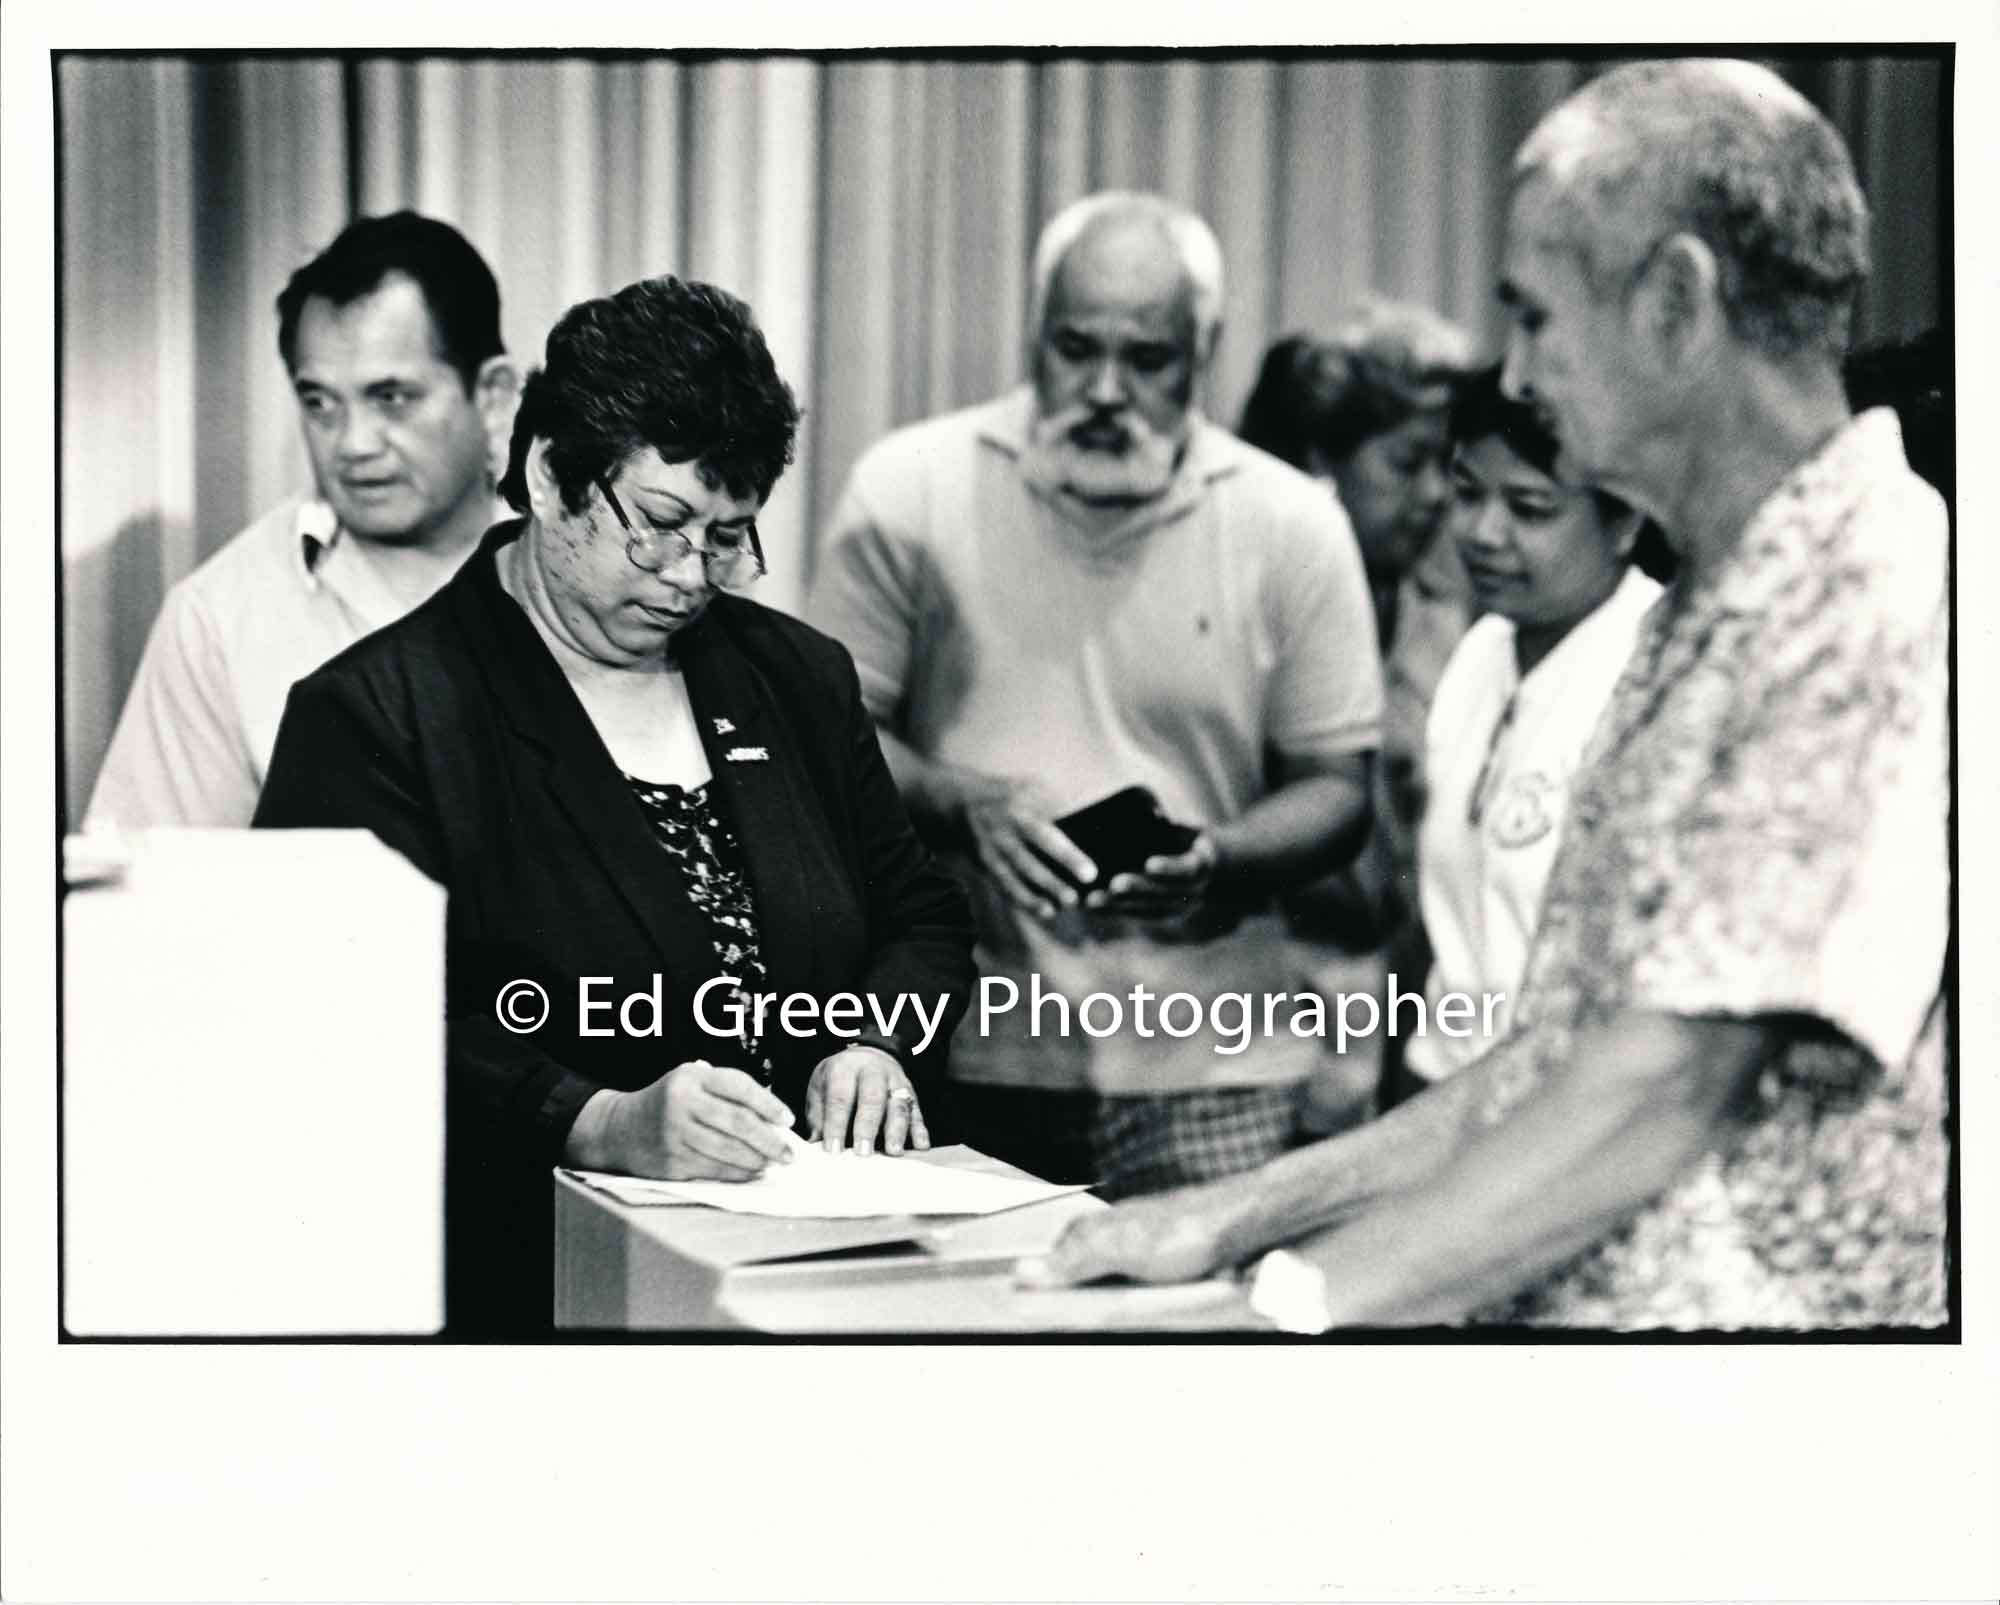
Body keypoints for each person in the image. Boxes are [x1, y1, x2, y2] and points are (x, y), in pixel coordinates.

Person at [1024, 59, 1950, 1330]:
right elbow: (1547, 1059)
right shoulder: (1702, 609)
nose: (1513, 376)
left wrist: (1283, 1310)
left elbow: (1662, 1084)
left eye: (1534, 317)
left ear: (1673, 305)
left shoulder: (1876, 590)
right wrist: (1228, 1219)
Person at [255, 276, 977, 1336]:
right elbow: (343, 1026)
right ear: (552, 478)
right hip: (531, 1292)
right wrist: (595, 1120)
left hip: (821, 1264)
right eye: (661, 523)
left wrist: (871, 1040)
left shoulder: (794, 677)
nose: (692, 576)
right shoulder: (376, 718)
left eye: (727, 535)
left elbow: (920, 914)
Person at [808, 191, 1381, 1197]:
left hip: (1211, 1059)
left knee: (1190, 1347)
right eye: (1075, 349)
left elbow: (1337, 789)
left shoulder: (1290, 523)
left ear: (1204, 351)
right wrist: (961, 801)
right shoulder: (908, 489)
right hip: (968, 1039)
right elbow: (824, 737)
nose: (1105, 390)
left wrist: (1217, 861)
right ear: (1034, 335)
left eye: (1147, 360)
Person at [86, 211, 519, 829]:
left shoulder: (590, 573)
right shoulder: (217, 619)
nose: (353, 444)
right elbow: (157, 900)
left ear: (494, 395)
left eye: (391, 398)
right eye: (320, 403)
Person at [1389, 365, 1662, 1101]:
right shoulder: (1481, 651)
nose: (1482, 533)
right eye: (1468, 492)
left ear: (1625, 517)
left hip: (1557, 1113)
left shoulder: (1656, 672)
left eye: (1530, 508)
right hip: (1439, 1094)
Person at [1235, 306, 1477, 1129]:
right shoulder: (1249, 618)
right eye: (1407, 463)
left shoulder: (1453, 619)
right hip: (1255, 1027)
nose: (1436, 495)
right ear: (1320, 460)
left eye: (1446, 465)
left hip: (1408, 1027)